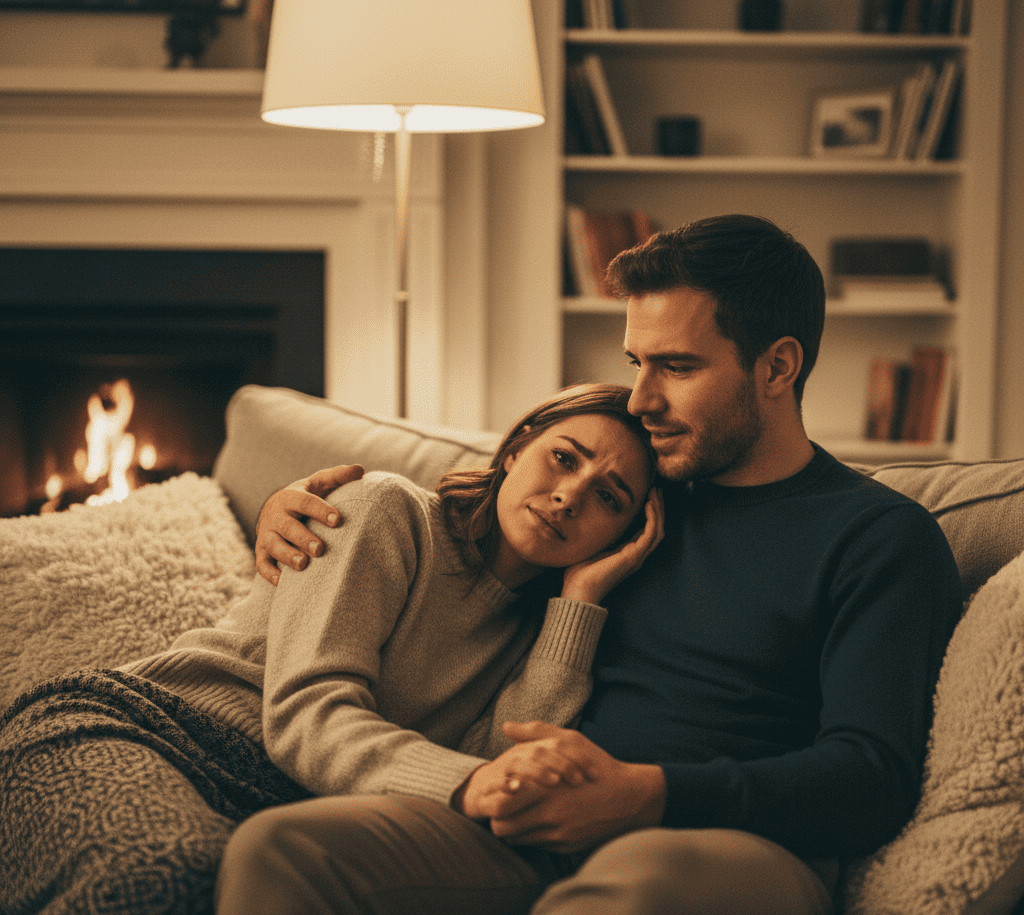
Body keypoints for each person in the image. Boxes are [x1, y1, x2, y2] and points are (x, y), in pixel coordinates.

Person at [234, 214, 966, 915]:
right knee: (286, 848)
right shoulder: (628, 501)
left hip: (726, 846)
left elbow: (872, 775)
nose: (643, 400)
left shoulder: (877, 537)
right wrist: (289, 505)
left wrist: (648, 794)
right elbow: (468, 530)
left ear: (777, 365)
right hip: (536, 819)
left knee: (631, 889)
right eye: (637, 364)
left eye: (677, 366)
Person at [0, 383, 664, 915]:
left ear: (622, 533)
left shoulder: (543, 634)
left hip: (267, 806)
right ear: (517, 447)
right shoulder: (389, 509)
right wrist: (470, 782)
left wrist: (578, 601)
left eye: (609, 497)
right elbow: (305, 714)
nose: (569, 495)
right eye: (564, 457)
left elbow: (494, 783)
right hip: (136, 728)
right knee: (170, 878)